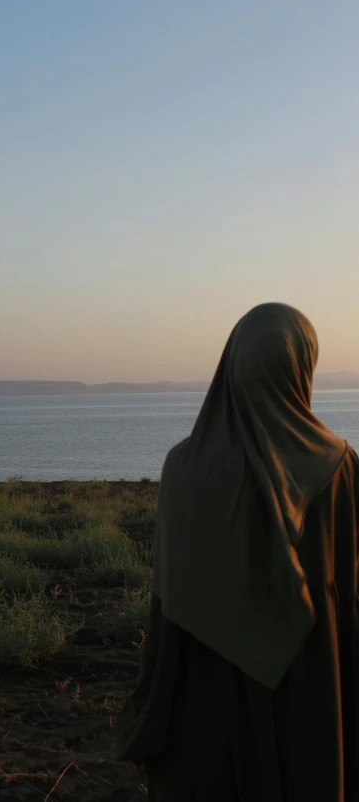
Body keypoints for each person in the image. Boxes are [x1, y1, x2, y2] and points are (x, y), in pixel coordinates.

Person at [114, 303, 359, 802]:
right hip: (314, 700)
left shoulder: (184, 469)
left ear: (232, 366)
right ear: (302, 368)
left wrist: (148, 724)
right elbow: (352, 599)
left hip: (207, 703)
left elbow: (167, 610)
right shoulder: (341, 469)